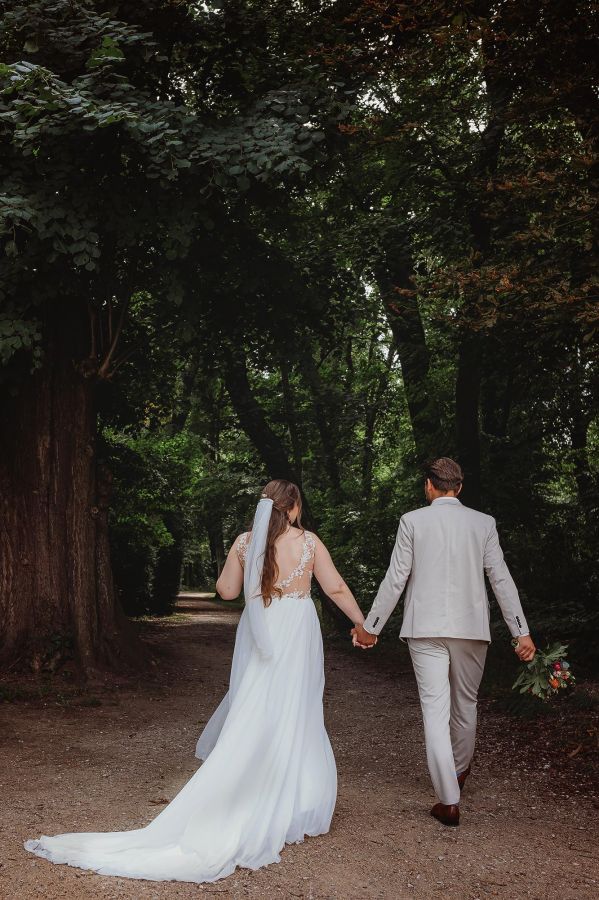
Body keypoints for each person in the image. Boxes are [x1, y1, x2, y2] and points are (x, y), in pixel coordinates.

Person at [24, 479, 365, 883]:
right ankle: (294, 801)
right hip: (297, 631)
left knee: (254, 705)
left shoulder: (246, 542)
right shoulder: (308, 541)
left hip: (264, 628)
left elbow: (226, 591)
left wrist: (243, 564)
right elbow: (335, 586)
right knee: (297, 706)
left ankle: (245, 788)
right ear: (292, 508)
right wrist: (363, 624)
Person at [352, 457, 536, 827]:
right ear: (460, 487)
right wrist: (521, 631)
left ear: (429, 485)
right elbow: (500, 578)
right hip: (471, 629)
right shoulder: (483, 523)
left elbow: (396, 578)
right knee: (465, 704)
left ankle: (449, 800)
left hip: (425, 628)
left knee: (434, 710)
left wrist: (371, 627)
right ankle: (458, 772)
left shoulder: (412, 521)